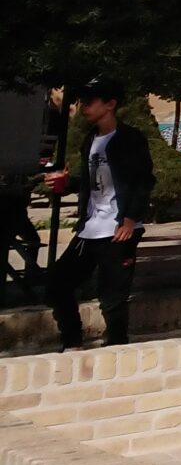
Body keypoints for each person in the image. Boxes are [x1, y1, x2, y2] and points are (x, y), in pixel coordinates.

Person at [46, 78, 153, 349]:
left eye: (90, 101)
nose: (84, 106)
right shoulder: (90, 140)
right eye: (82, 101)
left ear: (110, 104)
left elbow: (144, 180)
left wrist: (130, 219)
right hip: (90, 229)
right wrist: (66, 183)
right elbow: (92, 182)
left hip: (118, 231)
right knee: (59, 283)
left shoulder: (130, 139)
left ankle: (116, 350)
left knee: (113, 298)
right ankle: (72, 342)